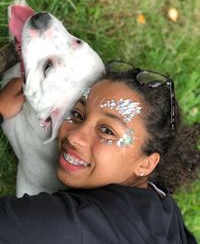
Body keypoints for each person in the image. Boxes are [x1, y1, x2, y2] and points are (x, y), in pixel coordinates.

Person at [0, 62, 199, 244]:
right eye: (77, 115)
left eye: (107, 131)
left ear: (146, 164)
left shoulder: (73, 224)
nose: (74, 136)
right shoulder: (160, 202)